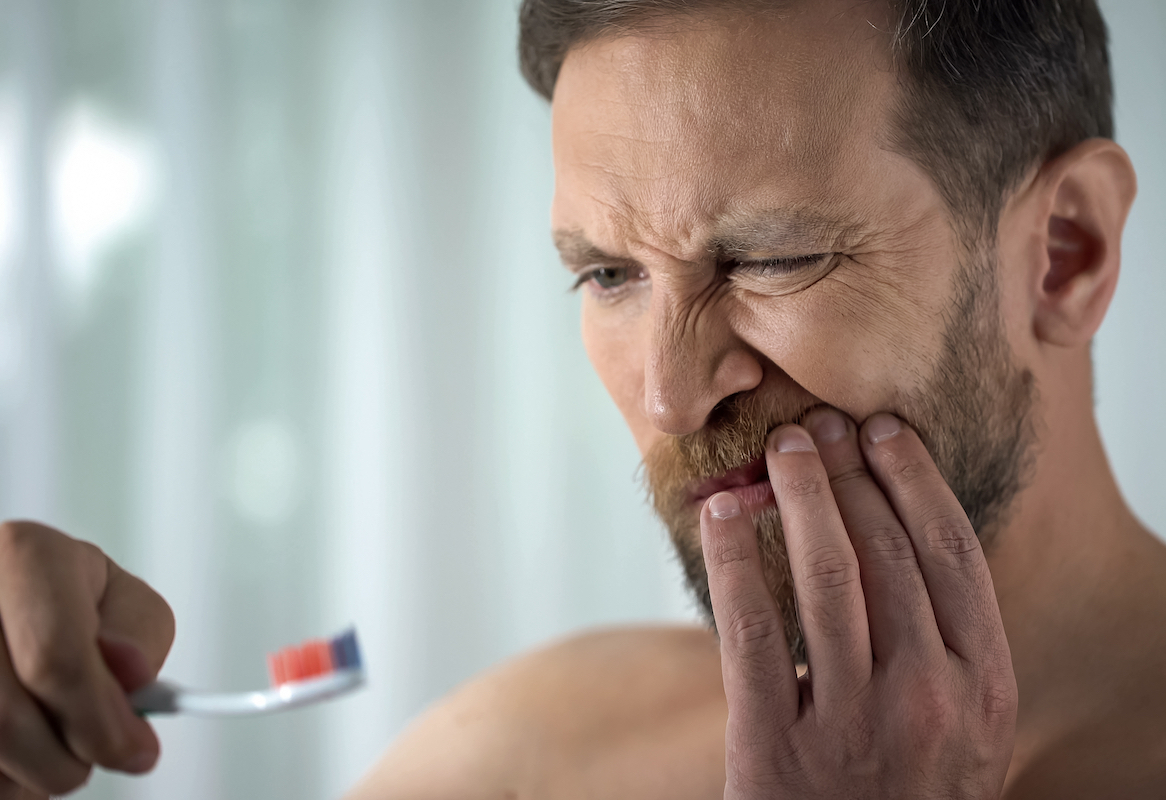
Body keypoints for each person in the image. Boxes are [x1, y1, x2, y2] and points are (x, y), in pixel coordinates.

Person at [0, 0, 1162, 797]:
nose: (666, 392)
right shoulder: (539, 747)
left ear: (1063, 253)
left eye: (767, 260)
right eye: (607, 274)